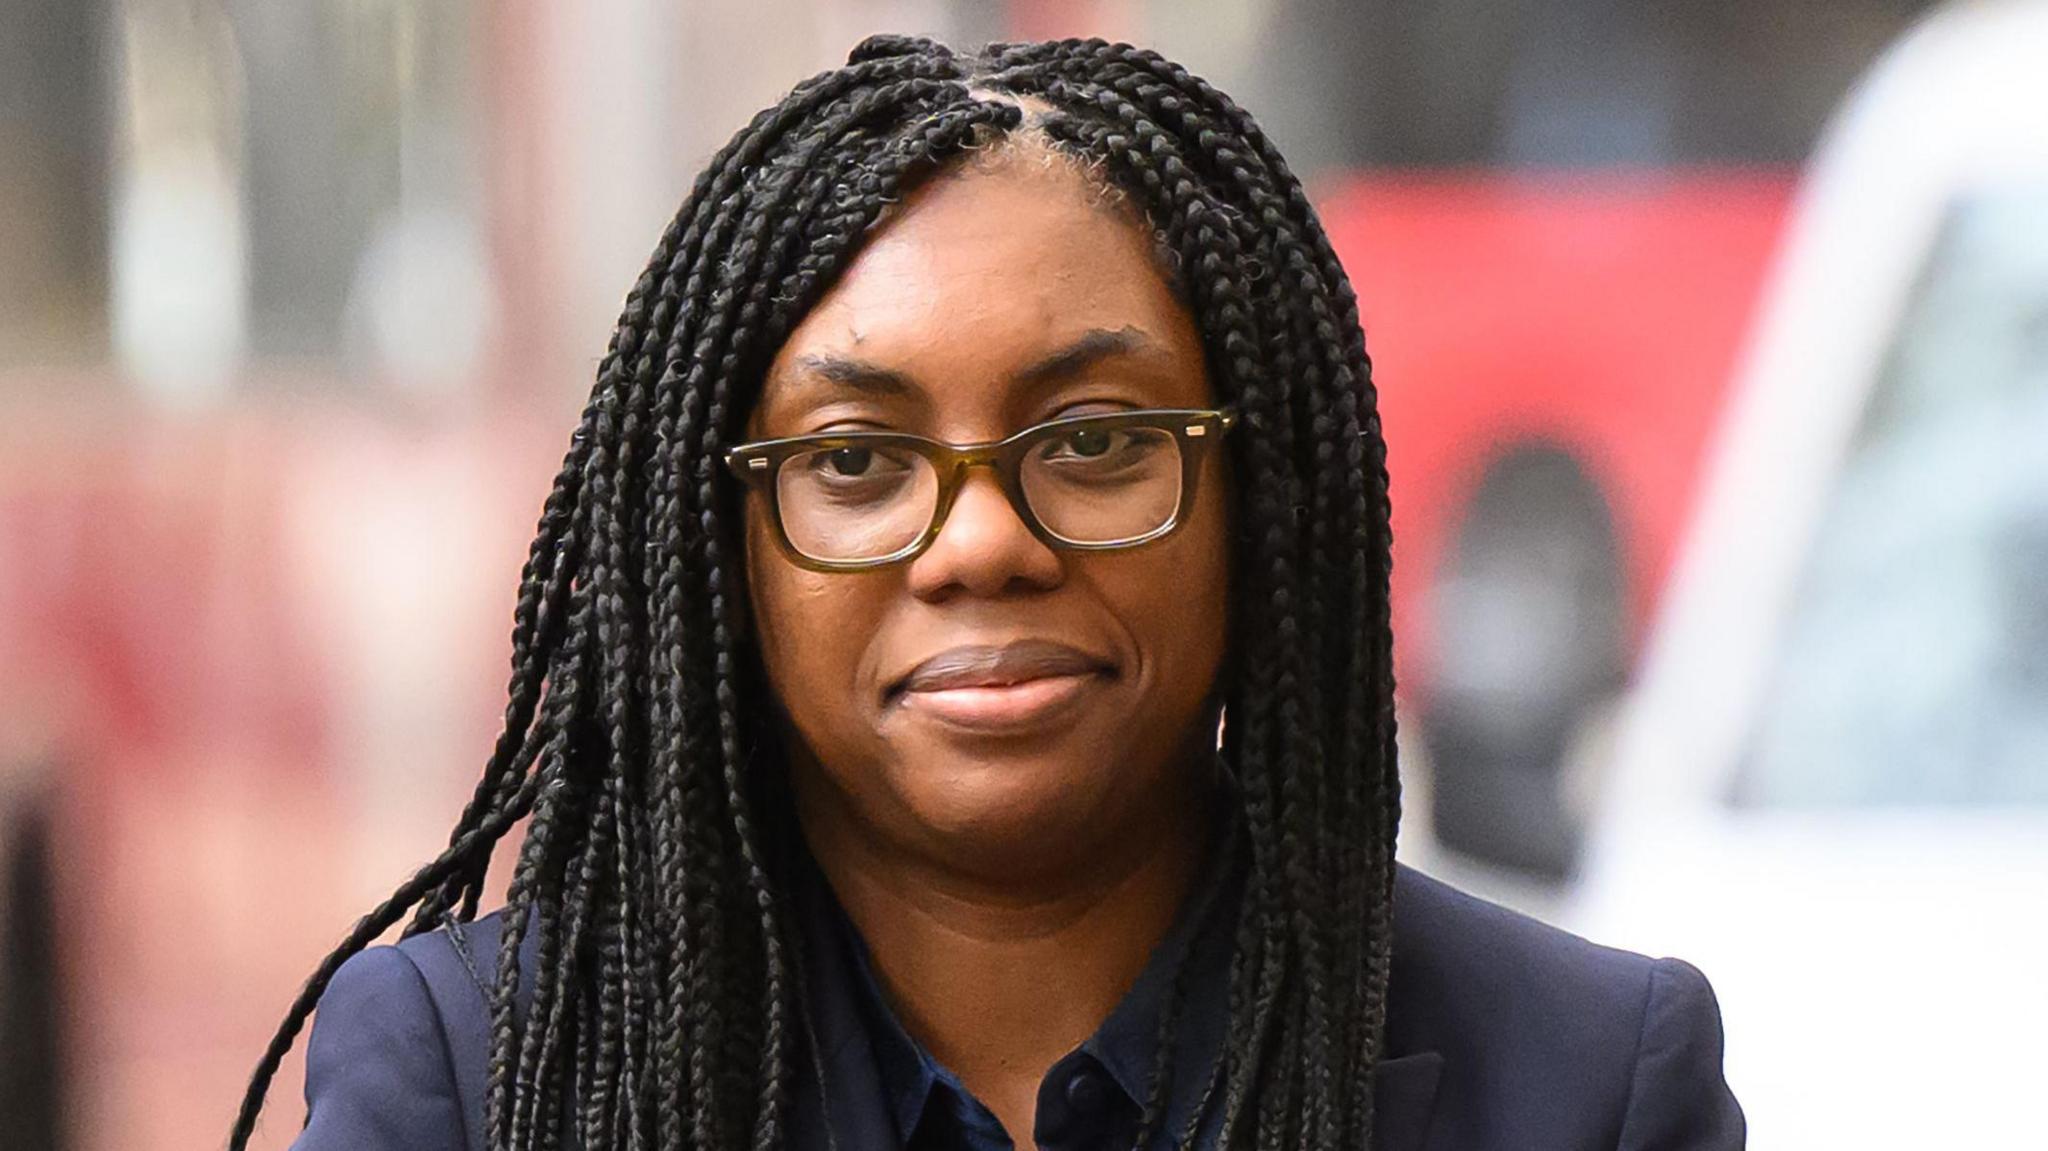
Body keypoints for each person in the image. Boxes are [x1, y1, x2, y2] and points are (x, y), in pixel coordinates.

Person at [230, 34, 1744, 1151]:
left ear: (1256, 503)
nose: (978, 544)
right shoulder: (472, 1076)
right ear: (722, 544)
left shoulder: (1589, 1080)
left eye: (1093, 441)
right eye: (858, 461)